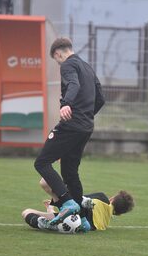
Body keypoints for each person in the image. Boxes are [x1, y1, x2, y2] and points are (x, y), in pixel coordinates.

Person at [33, 37, 105, 228]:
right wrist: (86, 115)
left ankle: (67, 202)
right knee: (69, 171)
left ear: (58, 54)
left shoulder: (67, 65)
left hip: (72, 125)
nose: (58, 62)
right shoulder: (87, 67)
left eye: (56, 59)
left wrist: (66, 104)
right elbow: (101, 99)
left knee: (42, 162)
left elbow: (73, 85)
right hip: (85, 127)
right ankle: (83, 219)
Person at [22, 179, 135, 233]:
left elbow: (75, 200)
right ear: (119, 214)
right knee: (27, 212)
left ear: (112, 199)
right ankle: (51, 225)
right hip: (84, 225)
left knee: (44, 183)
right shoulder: (105, 223)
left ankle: (44, 223)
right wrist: (51, 208)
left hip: (81, 215)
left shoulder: (103, 197)